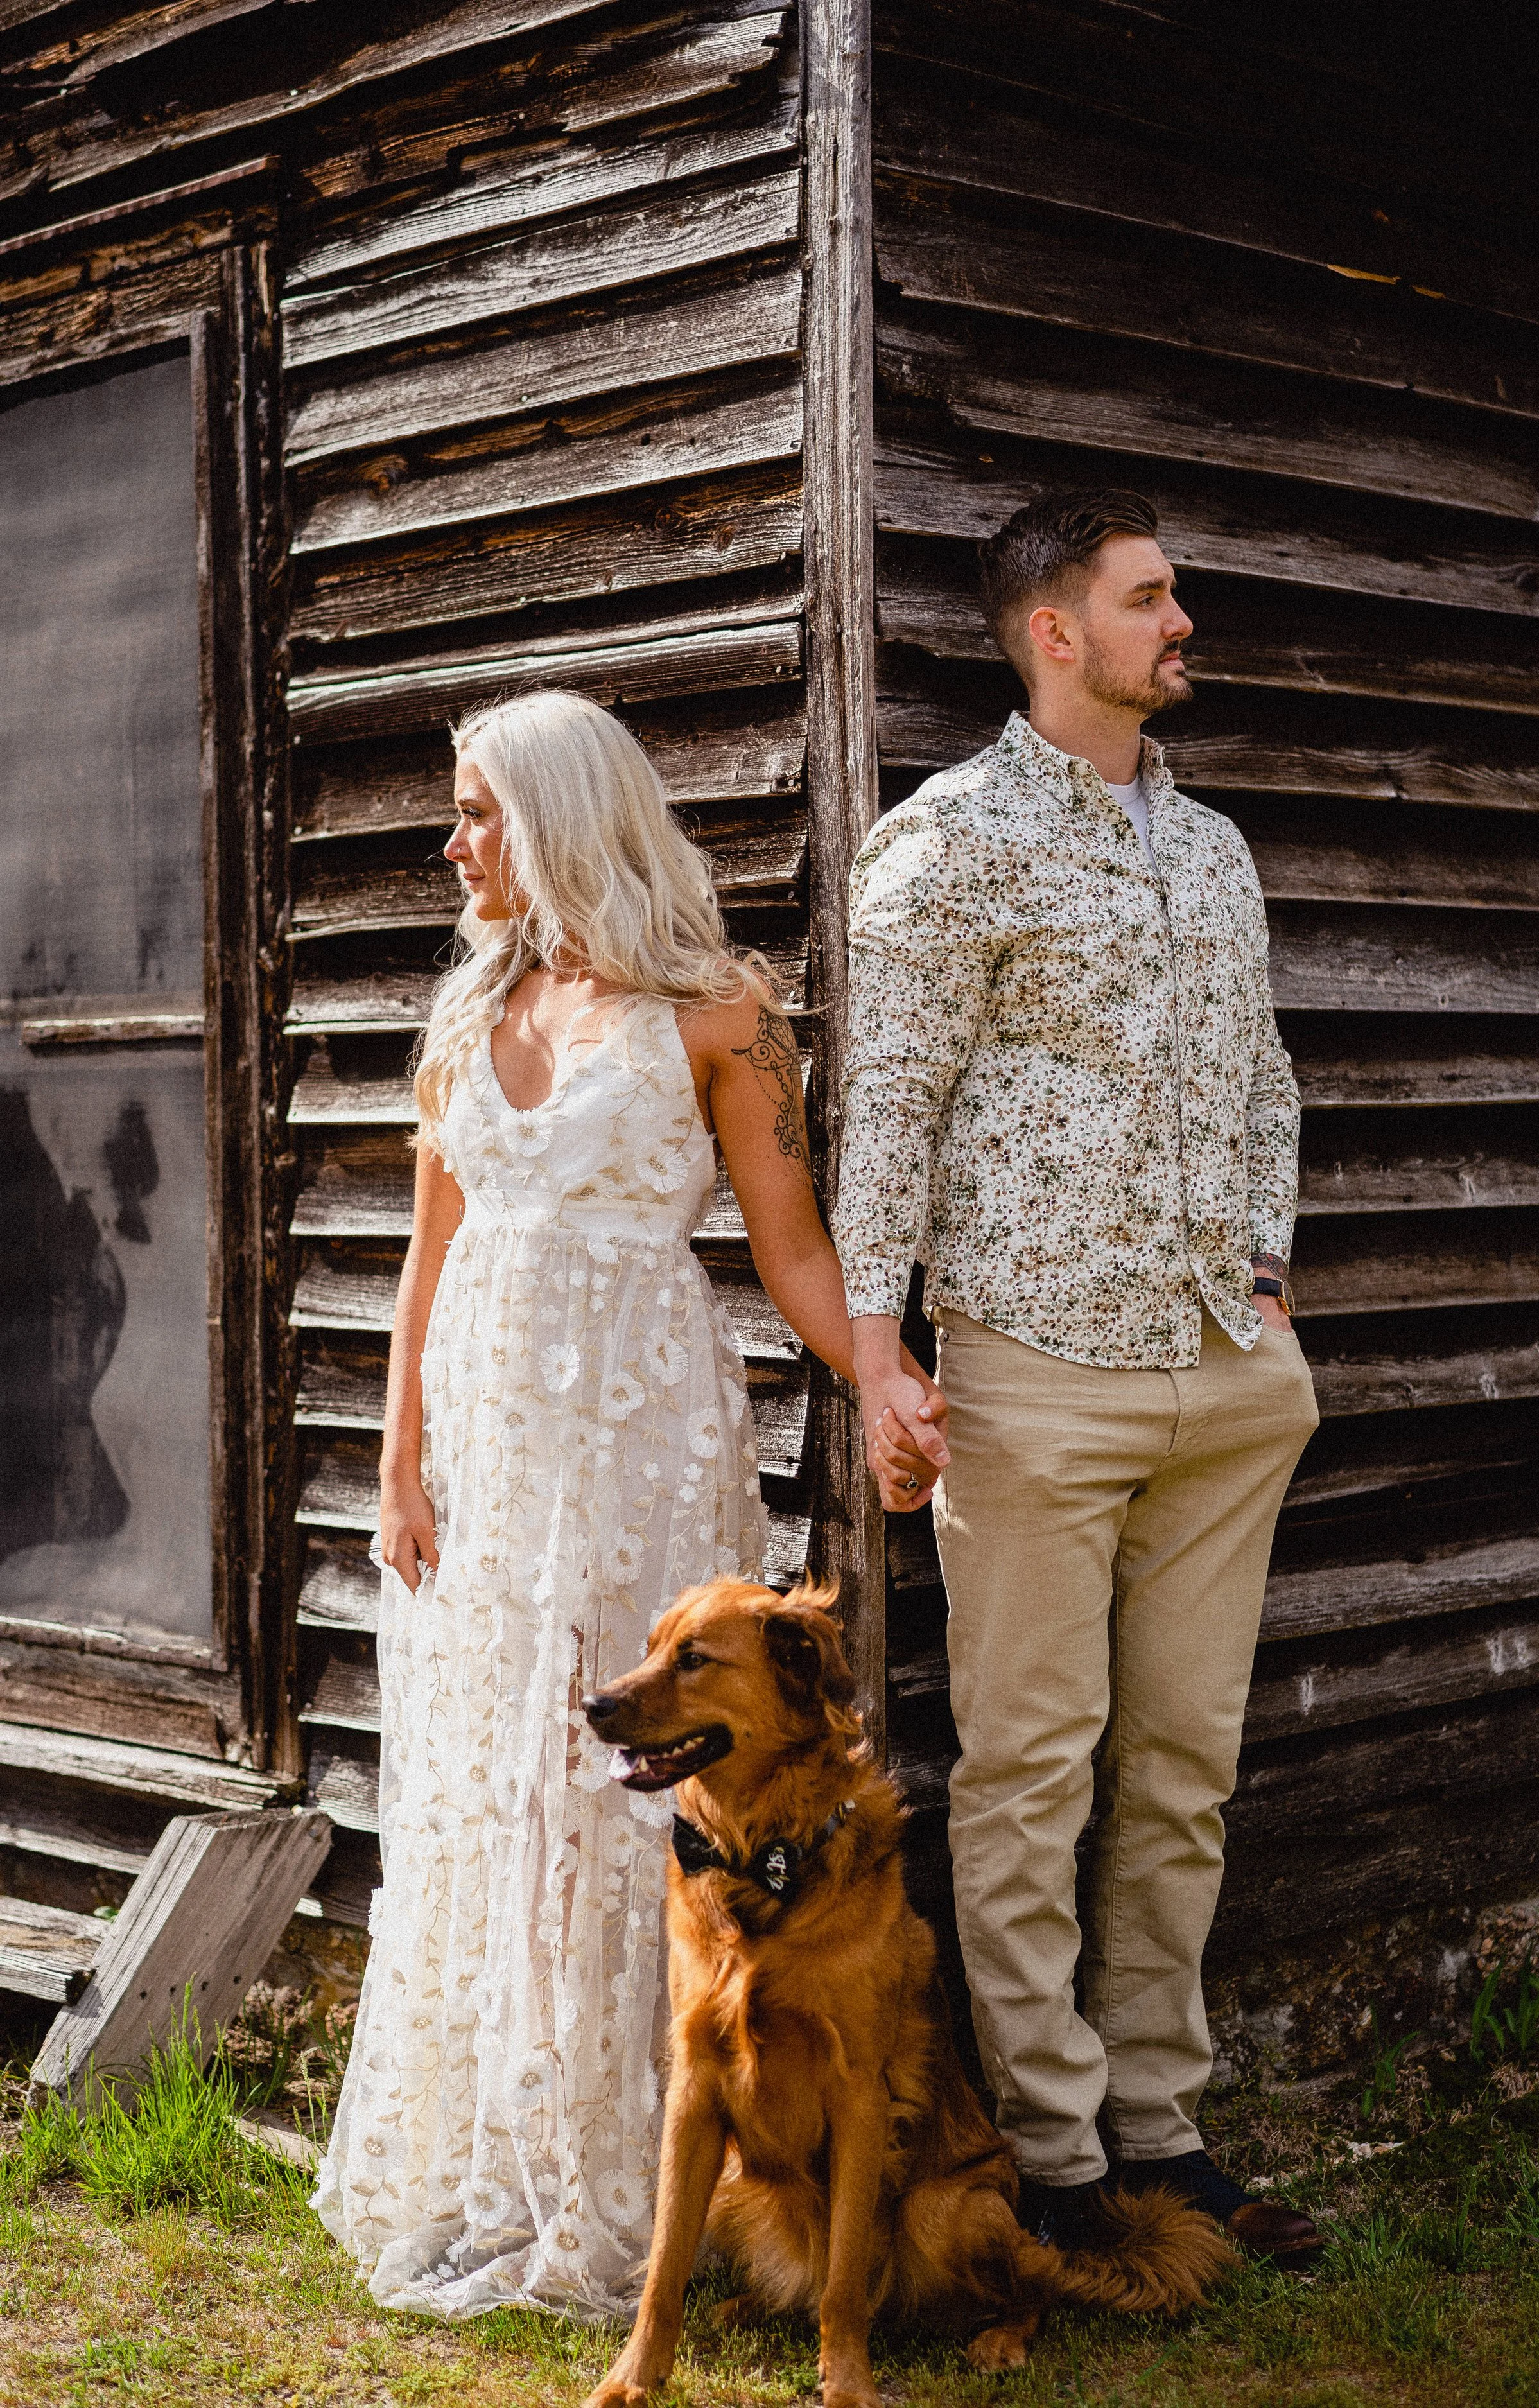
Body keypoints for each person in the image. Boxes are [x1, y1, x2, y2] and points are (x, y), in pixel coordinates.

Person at [313, 690, 947, 2321]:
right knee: (485, 1779)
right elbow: (426, 1256)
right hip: (483, 1450)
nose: (451, 846)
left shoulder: (713, 1011)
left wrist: (879, 1375)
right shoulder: (466, 1014)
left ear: (558, 818)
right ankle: (488, 2162)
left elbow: (791, 1243)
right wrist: (397, 1456)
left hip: (635, 1438)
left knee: (622, 1788)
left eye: (474, 814)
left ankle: (644, 2179)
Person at [843, 491, 1325, 2265]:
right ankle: (1051, 2149)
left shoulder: (1211, 849)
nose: (1177, 619)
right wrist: (881, 1356)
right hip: (1035, 1369)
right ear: (1057, 631)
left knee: (1183, 1766)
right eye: (1148, 597)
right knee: (1029, 1771)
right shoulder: (944, 843)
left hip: (1225, 1369)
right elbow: (883, 1112)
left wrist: (1267, 1281)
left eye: (1172, 592)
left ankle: (1160, 2125)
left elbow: (1264, 1080)